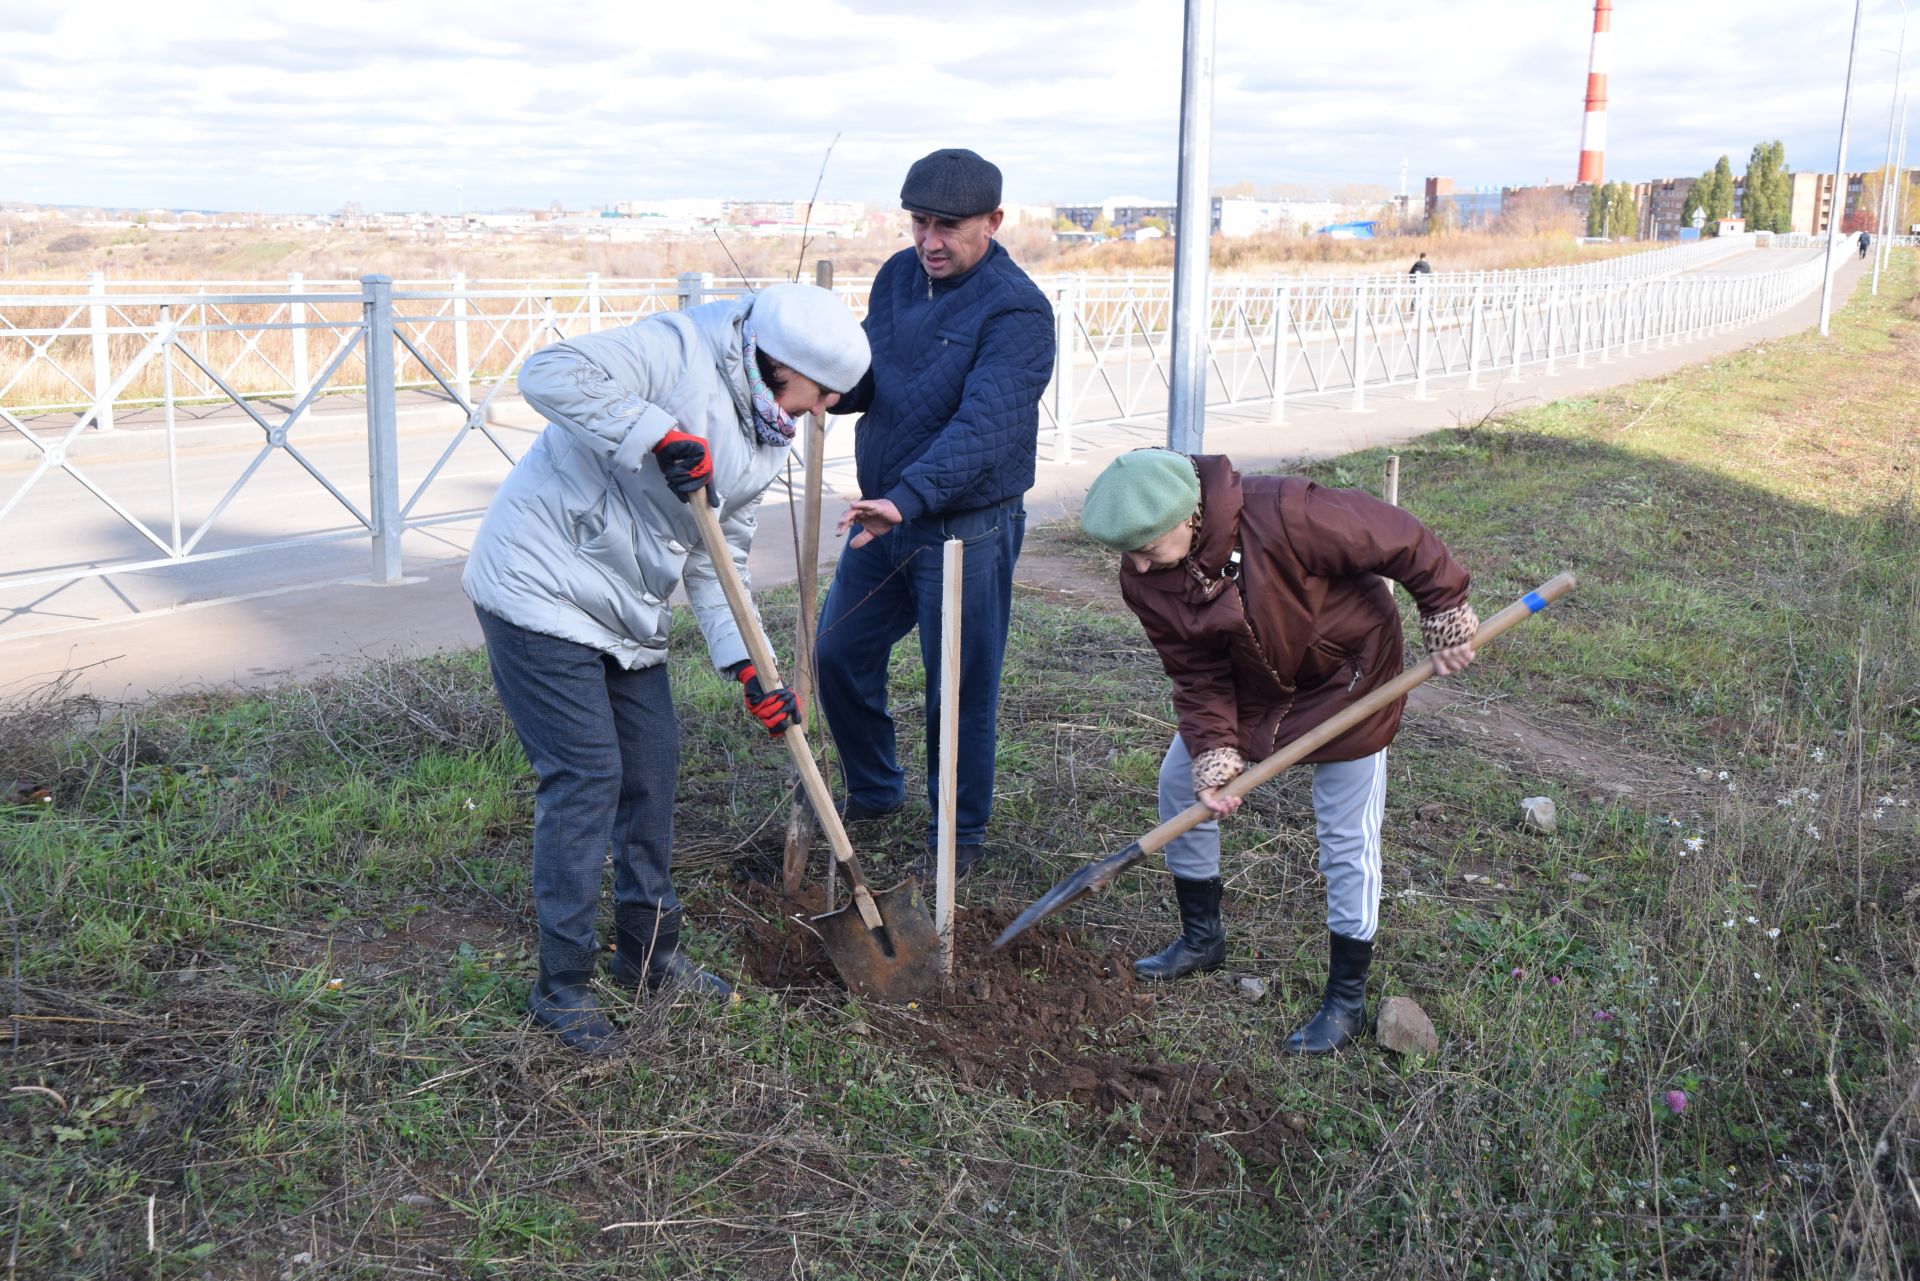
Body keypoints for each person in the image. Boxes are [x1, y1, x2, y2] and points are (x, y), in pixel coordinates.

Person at [464, 284, 870, 1054]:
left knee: (652, 770)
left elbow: (722, 558)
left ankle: (649, 955)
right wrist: (655, 433)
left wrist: (755, 668)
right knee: (586, 776)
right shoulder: (677, 349)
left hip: (626, 608)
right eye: (822, 394)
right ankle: (563, 985)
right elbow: (547, 372)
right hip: (538, 582)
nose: (824, 410)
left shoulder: (768, 430)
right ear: (782, 364)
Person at [1079, 448, 1478, 1055]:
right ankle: (1201, 938)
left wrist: (1445, 608)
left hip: (1351, 678)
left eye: (1147, 547)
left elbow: (1400, 539)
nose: (1136, 564)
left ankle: (1346, 998)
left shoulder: (1287, 512)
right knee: (1178, 780)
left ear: (1189, 516)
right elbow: (1194, 671)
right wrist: (1215, 748)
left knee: (1346, 834)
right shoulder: (1146, 578)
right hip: (1256, 687)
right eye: (1126, 551)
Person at [813, 148, 1055, 878]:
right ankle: (877, 789)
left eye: (948, 225)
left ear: (994, 221)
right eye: (920, 221)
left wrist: (907, 499)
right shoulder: (896, 278)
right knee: (837, 650)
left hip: (963, 528)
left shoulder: (1017, 309)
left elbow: (986, 427)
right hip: (883, 518)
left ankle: (959, 834)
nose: (930, 240)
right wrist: (821, 381)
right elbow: (871, 372)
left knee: (957, 686)